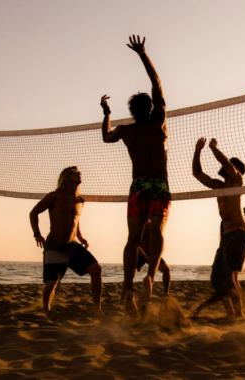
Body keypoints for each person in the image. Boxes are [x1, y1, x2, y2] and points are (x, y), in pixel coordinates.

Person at [100, 35, 169, 317]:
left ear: (131, 111)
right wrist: (143, 54)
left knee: (133, 239)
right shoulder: (159, 121)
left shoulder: (127, 130)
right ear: (151, 108)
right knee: (158, 232)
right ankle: (150, 277)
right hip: (159, 184)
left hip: (139, 185)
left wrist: (106, 112)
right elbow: (157, 84)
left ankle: (128, 287)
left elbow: (106, 137)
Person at [29, 166, 104, 316]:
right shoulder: (54, 196)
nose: (79, 174)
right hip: (55, 245)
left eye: (79, 172)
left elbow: (75, 220)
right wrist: (37, 234)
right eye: (74, 173)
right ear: (66, 177)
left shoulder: (80, 200)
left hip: (72, 245)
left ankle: (97, 309)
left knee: (96, 269)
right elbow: (34, 212)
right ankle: (46, 309)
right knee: (52, 283)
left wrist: (80, 235)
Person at [191, 137, 245, 318]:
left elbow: (225, 162)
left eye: (230, 165)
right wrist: (198, 150)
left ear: (236, 169)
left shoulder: (237, 181)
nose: (224, 166)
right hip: (226, 236)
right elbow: (197, 173)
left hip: (239, 233)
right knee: (217, 280)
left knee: (229, 278)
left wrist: (213, 148)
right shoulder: (219, 185)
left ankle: (238, 315)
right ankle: (230, 314)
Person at [136, 217, 172, 296]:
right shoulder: (141, 228)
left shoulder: (154, 227)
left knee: (166, 271)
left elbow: (159, 243)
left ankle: (166, 293)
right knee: (131, 273)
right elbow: (136, 245)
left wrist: (156, 254)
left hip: (152, 254)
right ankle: (129, 292)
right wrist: (146, 257)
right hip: (141, 254)